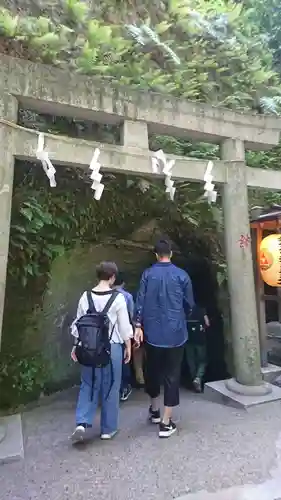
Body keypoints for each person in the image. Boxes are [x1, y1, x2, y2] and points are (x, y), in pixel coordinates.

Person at [134, 239, 194, 438]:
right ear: (171, 254)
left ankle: (154, 410)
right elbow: (189, 304)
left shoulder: (147, 274)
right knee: (172, 374)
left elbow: (139, 302)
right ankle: (166, 423)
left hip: (152, 333)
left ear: (155, 255)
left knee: (152, 370)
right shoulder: (182, 275)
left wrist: (138, 325)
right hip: (176, 333)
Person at [70, 261, 133, 443]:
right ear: (112, 277)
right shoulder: (118, 298)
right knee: (111, 386)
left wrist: (76, 346)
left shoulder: (85, 296)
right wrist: (128, 347)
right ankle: (108, 429)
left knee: (87, 384)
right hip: (111, 347)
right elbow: (124, 327)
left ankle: (82, 422)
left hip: (88, 347)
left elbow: (78, 325)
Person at [114, 271, 134, 402]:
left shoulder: (104, 294)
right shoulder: (127, 296)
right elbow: (131, 315)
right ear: (123, 283)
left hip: (107, 334)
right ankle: (124, 388)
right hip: (122, 334)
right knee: (124, 361)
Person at [185, 303, 210, 393]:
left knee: (191, 361)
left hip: (188, 338)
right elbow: (207, 323)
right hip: (199, 338)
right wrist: (204, 327)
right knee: (202, 360)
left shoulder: (185, 309)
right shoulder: (201, 308)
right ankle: (198, 378)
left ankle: (194, 380)